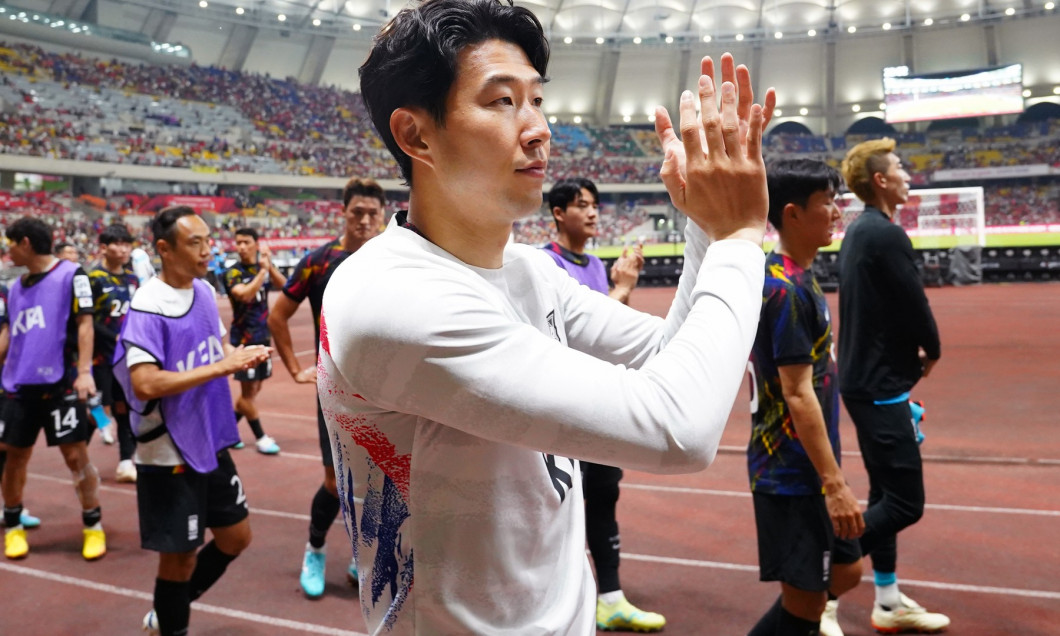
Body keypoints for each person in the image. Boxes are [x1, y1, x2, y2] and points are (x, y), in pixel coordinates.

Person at [321, 1, 775, 632]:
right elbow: (680, 428)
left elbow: (674, 358)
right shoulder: (391, 298)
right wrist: (737, 235)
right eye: (502, 102)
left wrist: (703, 223)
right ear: (416, 134)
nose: (537, 128)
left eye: (537, 100)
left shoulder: (528, 271)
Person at [112, 206, 270, 636]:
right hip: (168, 451)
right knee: (178, 559)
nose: (207, 250)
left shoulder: (201, 291)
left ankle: (168, 612)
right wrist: (221, 368)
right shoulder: (148, 305)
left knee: (235, 537)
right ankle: (171, 623)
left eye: (207, 241)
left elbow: (215, 351)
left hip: (209, 436)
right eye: (194, 243)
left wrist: (239, 359)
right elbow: (144, 383)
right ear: (164, 249)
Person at [746, 159, 864, 636]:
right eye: (828, 203)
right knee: (804, 607)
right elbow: (797, 393)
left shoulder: (798, 274)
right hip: (789, 471)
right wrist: (834, 485)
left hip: (805, 464)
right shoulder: (787, 288)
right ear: (792, 213)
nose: (837, 212)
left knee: (847, 571)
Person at [836, 139, 949, 633]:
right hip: (880, 385)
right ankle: (822, 577)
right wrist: (933, 351)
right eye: (900, 167)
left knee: (885, 496)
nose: (907, 174)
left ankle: (885, 600)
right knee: (905, 503)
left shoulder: (860, 232)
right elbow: (913, 304)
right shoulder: (883, 235)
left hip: (868, 380)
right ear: (880, 181)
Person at [544, 177, 662, 632]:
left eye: (595, 206)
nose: (593, 213)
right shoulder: (544, 265)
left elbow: (609, 332)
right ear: (558, 213)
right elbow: (566, 339)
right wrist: (621, 288)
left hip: (599, 405)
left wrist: (622, 288)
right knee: (563, 507)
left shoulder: (595, 263)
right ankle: (567, 600)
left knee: (604, 497)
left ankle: (610, 596)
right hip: (563, 412)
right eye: (582, 205)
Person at [267, 177, 386, 598]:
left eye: (374, 213)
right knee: (337, 481)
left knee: (382, 476)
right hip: (335, 391)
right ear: (344, 213)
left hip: (387, 391)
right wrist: (297, 369)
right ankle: (315, 548)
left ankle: (364, 554)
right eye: (358, 212)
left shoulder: (397, 260)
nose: (366, 221)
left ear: (384, 215)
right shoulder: (319, 261)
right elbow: (278, 316)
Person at [1, 217, 104, 561]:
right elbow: (9, 334)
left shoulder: (73, 275)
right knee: (14, 457)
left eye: (11, 243)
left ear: (26, 243)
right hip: (18, 387)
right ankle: (13, 527)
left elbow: (86, 324)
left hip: (61, 384)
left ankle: (93, 526)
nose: (8, 250)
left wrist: (86, 372)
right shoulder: (15, 287)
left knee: (76, 457)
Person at [223, 227, 286, 455]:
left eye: (246, 242)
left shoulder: (263, 267)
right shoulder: (232, 272)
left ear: (256, 244)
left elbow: (285, 286)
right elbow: (244, 294)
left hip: (263, 337)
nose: (241, 247)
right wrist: (262, 273)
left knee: (255, 389)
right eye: (238, 242)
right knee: (248, 394)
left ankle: (225, 431)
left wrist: (269, 267)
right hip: (243, 340)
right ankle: (260, 437)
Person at [88, 223, 140, 483]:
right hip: (100, 357)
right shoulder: (94, 279)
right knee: (95, 407)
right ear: (104, 248)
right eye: (117, 244)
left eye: (127, 244)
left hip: (125, 359)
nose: (123, 249)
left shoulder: (132, 279)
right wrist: (114, 337)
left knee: (124, 410)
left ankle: (125, 462)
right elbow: (86, 321)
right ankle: (81, 459)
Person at [0, 282, 43, 531]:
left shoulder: (5, 291)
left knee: (11, 448)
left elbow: (7, 331)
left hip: (6, 382)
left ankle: (11, 507)